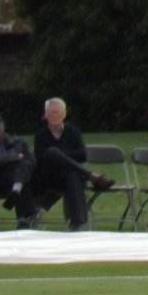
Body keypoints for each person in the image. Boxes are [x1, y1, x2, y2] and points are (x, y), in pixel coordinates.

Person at [31, 97, 116, 231]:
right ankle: (92, 177)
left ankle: (77, 223)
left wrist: (61, 157)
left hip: (70, 175)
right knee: (52, 153)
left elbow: (82, 155)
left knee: (72, 173)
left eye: (57, 112)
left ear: (64, 114)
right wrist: (61, 155)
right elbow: (42, 158)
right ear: (45, 115)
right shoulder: (40, 135)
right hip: (48, 178)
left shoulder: (73, 132)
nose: (54, 115)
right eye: (51, 112)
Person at [0, 112, 37, 229]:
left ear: (3, 126)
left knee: (24, 168)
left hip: (17, 179)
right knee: (20, 176)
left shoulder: (18, 142)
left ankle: (17, 190)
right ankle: (23, 219)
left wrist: (7, 162)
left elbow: (31, 160)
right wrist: (14, 158)